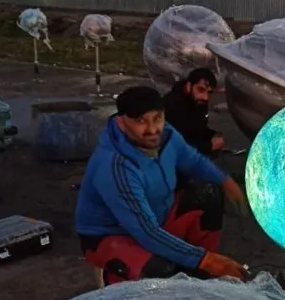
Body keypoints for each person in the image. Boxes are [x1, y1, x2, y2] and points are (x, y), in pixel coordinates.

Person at [76, 85, 247, 285]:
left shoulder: (167, 135)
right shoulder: (116, 166)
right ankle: (111, 277)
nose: (152, 129)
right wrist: (206, 260)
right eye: (140, 121)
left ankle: (198, 277)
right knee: (159, 270)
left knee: (209, 192)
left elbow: (193, 161)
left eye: (157, 118)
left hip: (157, 218)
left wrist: (224, 181)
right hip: (115, 235)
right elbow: (146, 231)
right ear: (121, 123)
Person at [162, 67, 224, 158]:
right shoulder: (173, 106)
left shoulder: (198, 101)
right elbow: (176, 145)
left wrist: (212, 135)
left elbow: (196, 129)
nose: (205, 97)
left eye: (209, 92)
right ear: (188, 86)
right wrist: (209, 146)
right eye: (201, 89)